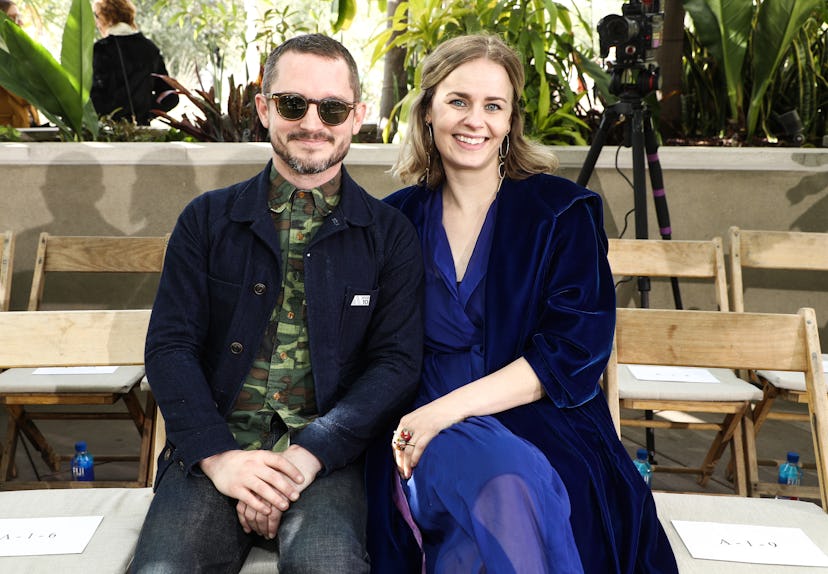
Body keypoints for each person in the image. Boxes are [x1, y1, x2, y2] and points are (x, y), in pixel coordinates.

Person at [366, 34, 678, 573]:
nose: (475, 121)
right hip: (414, 420)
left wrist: (445, 412)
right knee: (497, 487)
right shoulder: (393, 221)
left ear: (511, 121)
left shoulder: (561, 214)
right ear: (428, 111)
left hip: (535, 417)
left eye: (494, 106)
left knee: (504, 490)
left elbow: (573, 351)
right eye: (458, 101)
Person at [132, 33, 423, 573]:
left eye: (332, 108)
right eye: (294, 104)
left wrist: (309, 454)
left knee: (328, 565)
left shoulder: (390, 235)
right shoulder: (206, 220)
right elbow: (171, 346)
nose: (313, 123)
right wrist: (221, 459)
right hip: (216, 450)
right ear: (264, 108)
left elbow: (397, 363)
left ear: (356, 115)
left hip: (330, 459)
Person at [90, 0, 178, 125]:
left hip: (107, 133)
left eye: (97, 16)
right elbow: (170, 96)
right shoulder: (149, 48)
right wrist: (146, 110)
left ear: (107, 17)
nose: (96, 23)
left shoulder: (100, 49)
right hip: (142, 132)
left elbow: (93, 96)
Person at [0, 0, 40, 128]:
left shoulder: (17, 52)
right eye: (14, 17)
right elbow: (25, 96)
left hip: (28, 129)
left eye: (20, 17)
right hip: (7, 135)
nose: (20, 22)